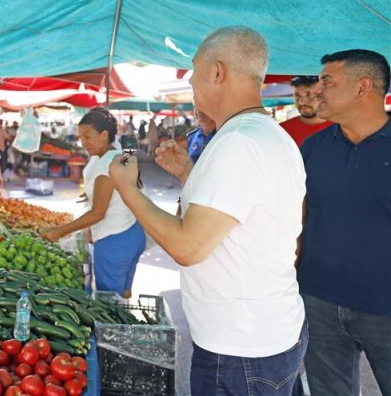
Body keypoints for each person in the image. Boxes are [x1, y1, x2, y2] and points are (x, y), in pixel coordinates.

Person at [108, 27, 307, 395]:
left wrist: (126, 188)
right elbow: (237, 217)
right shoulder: (268, 135)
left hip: (239, 349)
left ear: (217, 72)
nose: (191, 82)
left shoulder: (238, 143)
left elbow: (188, 246)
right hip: (264, 335)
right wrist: (189, 173)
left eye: (194, 71)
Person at [296, 49, 390, 395]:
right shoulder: (313, 147)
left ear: (363, 87)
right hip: (319, 302)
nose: (316, 90)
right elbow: (300, 220)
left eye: (327, 81)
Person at [41, 108, 145, 298]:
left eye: (88, 136)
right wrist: (90, 194)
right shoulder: (117, 152)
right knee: (124, 292)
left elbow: (98, 213)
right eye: (80, 137)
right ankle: (126, 320)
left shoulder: (106, 165)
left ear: (104, 135)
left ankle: (118, 326)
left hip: (114, 240)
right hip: (133, 233)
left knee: (109, 301)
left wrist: (59, 231)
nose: (83, 143)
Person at [279, 75, 334, 147]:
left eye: (308, 94)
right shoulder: (282, 131)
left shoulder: (342, 128)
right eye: (297, 95)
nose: (302, 102)